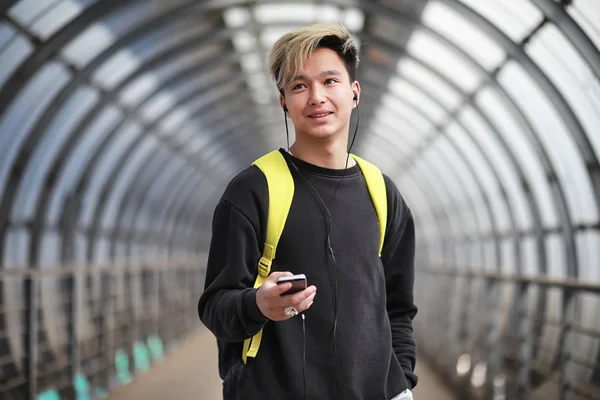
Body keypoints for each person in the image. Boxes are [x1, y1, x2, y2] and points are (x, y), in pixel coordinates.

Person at [197, 23, 418, 400]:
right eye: (299, 86)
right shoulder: (254, 189)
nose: (316, 97)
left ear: (354, 92)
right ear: (283, 101)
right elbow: (215, 306)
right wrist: (258, 304)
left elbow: (397, 307)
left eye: (329, 81)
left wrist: (402, 384)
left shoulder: (382, 192)